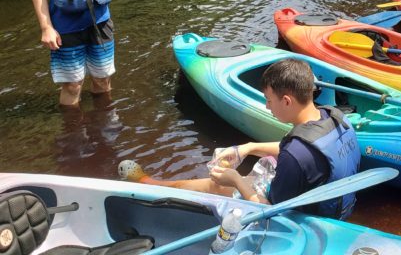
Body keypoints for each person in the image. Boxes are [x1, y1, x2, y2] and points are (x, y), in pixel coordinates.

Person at [118, 58, 361, 220]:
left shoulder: (296, 155)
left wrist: (234, 179)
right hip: (334, 205)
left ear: (286, 100)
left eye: (269, 100)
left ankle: (149, 183)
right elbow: (309, 154)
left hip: (304, 220)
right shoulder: (334, 117)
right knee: (243, 177)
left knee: (219, 186)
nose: (267, 107)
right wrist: (248, 148)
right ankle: (153, 183)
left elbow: (268, 208)